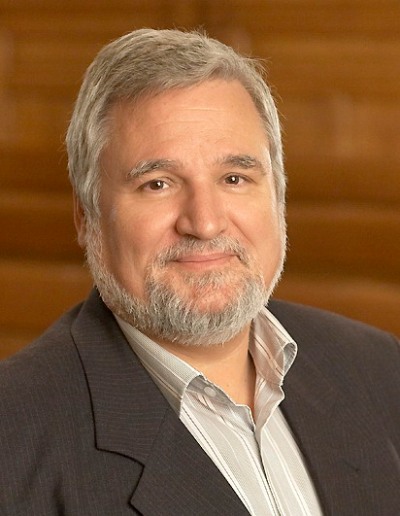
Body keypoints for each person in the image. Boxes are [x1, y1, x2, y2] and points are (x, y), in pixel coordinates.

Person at [0, 28, 399, 516]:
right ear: (87, 217)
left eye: (234, 178)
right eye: (158, 183)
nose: (205, 223)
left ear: (278, 195)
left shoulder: (379, 369)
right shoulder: (13, 443)